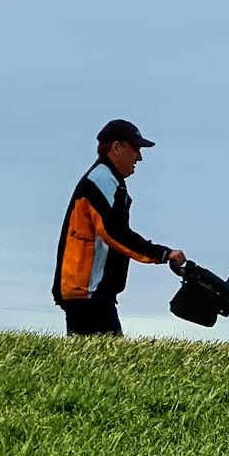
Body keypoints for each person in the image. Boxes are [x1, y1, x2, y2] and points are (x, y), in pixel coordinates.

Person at [51, 118, 186, 336]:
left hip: (89, 291)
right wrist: (163, 253)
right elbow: (114, 233)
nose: (139, 157)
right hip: (88, 292)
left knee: (92, 365)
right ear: (116, 147)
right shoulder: (101, 179)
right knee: (107, 364)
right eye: (136, 149)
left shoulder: (109, 180)